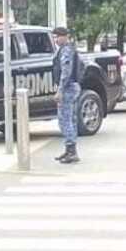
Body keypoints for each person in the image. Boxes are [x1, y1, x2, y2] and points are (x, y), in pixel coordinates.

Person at [52, 27, 81, 164]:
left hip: (68, 88)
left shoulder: (66, 51)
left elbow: (66, 72)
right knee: (71, 119)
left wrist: (60, 91)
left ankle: (71, 151)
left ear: (64, 36)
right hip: (72, 87)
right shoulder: (67, 49)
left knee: (64, 120)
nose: (56, 40)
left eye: (57, 37)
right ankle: (70, 149)